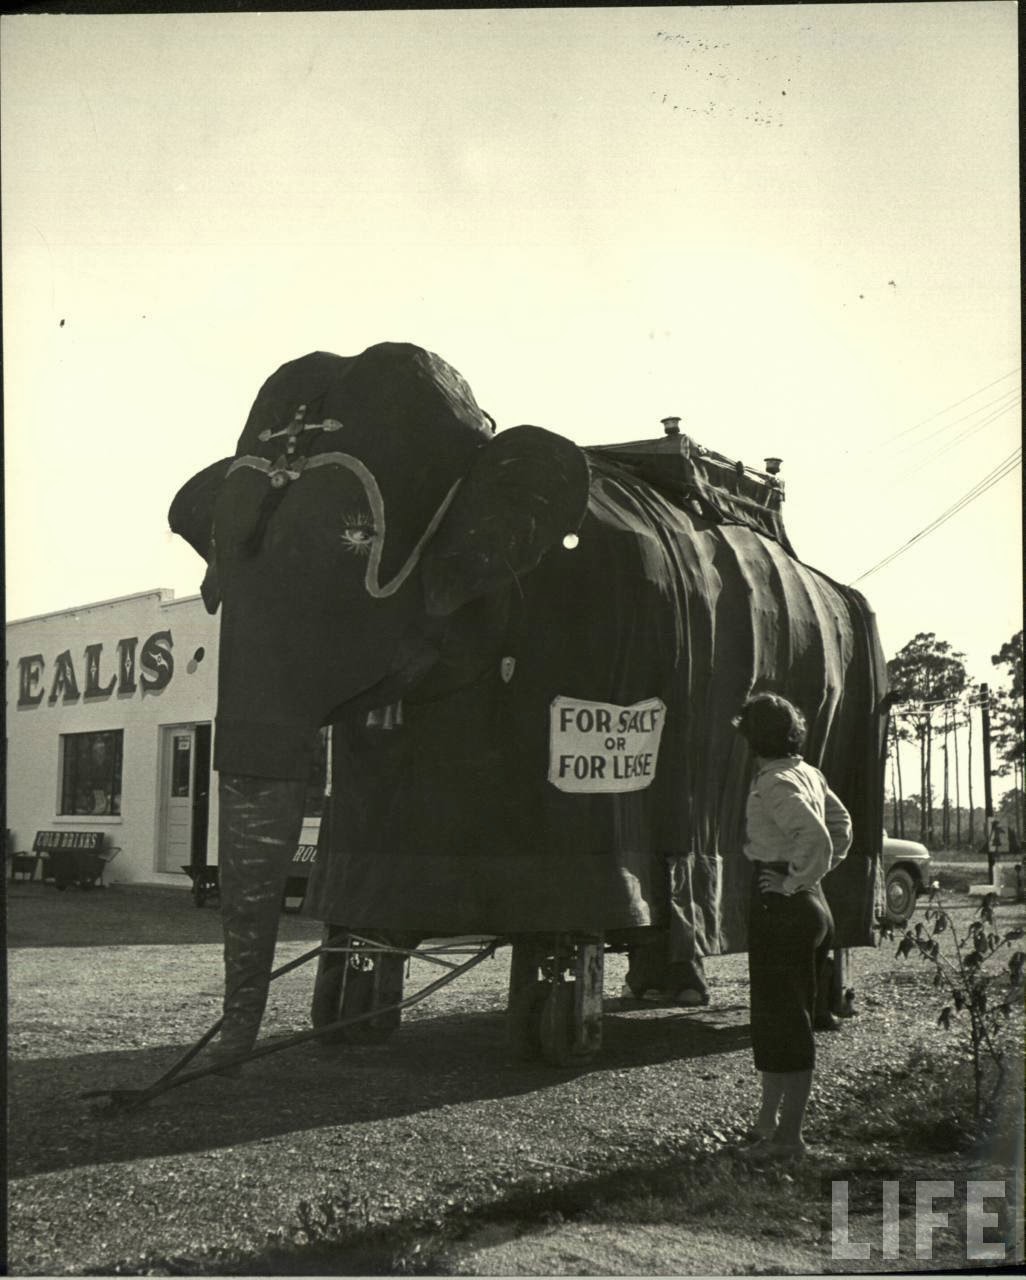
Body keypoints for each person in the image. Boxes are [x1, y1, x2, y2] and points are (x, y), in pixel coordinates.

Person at [732, 692, 853, 1161]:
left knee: (786, 1022)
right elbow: (842, 826)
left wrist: (791, 880)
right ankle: (768, 1123)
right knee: (777, 1017)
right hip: (809, 905)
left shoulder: (775, 782)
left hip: (781, 906)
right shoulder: (806, 771)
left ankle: (789, 1139)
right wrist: (812, 880)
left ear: (752, 736)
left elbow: (819, 836)